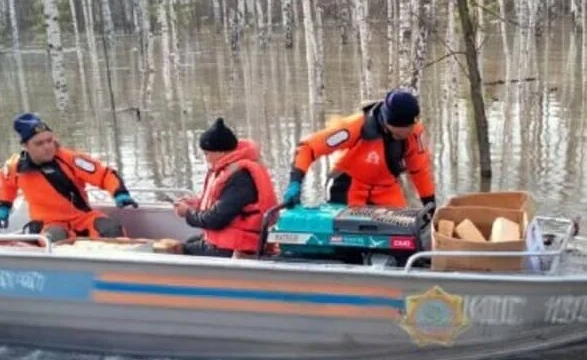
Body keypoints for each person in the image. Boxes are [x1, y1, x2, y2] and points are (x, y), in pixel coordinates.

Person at [0, 113, 138, 241]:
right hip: (48, 223)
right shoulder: (15, 167)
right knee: (54, 239)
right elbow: (6, 185)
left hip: (82, 218)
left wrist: (120, 193)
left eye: (49, 141)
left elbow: (104, 174)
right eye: (39, 143)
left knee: (111, 229)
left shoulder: (71, 159)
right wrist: (3, 210)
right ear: (26, 146)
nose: (47, 147)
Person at [282, 88, 436, 210]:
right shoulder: (352, 129)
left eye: (412, 126)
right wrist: (295, 182)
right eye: (405, 128)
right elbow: (309, 147)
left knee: (403, 234)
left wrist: (429, 203)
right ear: (389, 123)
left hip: (386, 188)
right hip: (350, 186)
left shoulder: (415, 134)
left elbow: (419, 170)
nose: (410, 131)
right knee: (350, 237)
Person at [174, 117, 279, 258]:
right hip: (233, 237)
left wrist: (187, 213)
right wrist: (196, 204)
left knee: (177, 250)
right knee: (190, 241)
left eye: (207, 153)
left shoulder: (240, 177)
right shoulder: (231, 169)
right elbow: (223, 206)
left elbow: (216, 219)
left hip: (241, 245)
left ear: (221, 152)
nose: (205, 158)